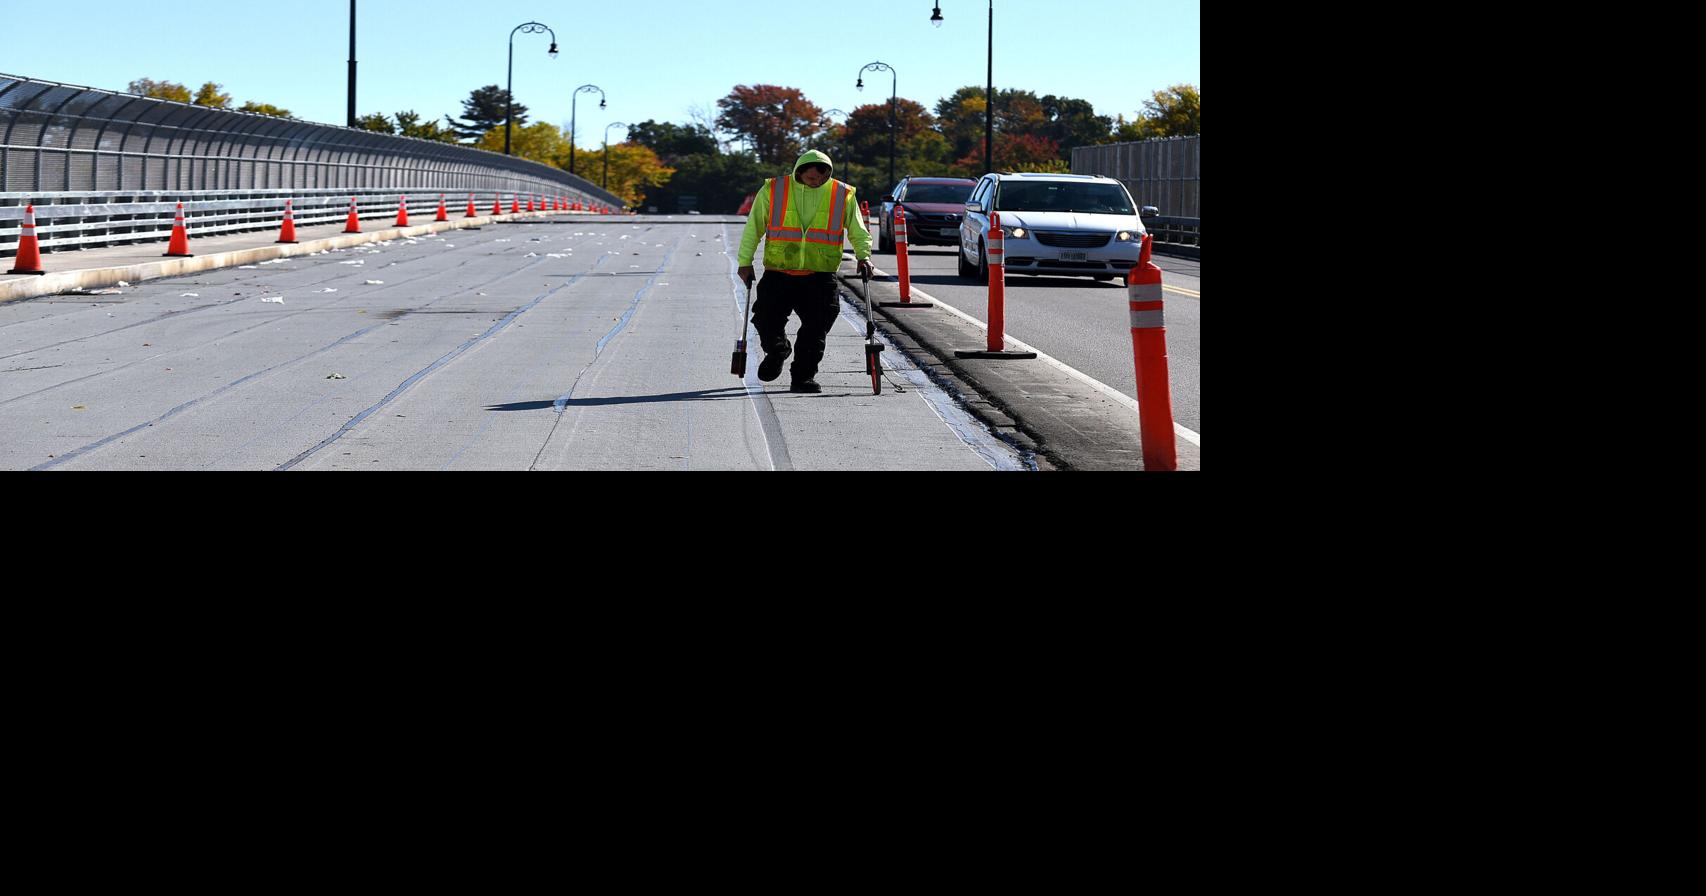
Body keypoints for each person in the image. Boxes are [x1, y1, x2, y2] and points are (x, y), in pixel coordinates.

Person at [738, 150, 875, 393]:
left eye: (820, 179)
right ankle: (778, 349)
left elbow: (857, 228)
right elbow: (754, 227)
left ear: (828, 174)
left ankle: (803, 378)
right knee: (766, 320)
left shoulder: (842, 194)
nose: (816, 182)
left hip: (819, 276)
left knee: (816, 329)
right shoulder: (774, 190)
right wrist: (744, 262)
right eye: (811, 178)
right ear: (799, 172)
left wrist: (864, 256)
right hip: (779, 272)